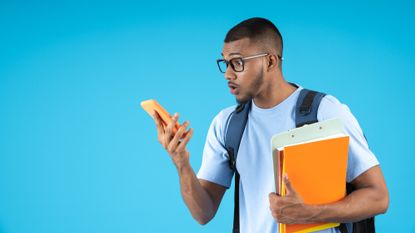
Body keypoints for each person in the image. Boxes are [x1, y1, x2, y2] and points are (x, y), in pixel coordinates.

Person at [151, 17, 389, 233]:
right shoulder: (227, 124)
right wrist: (181, 163)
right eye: (225, 63)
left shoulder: (325, 111)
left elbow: (378, 198)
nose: (228, 74)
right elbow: (202, 213)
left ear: (270, 62)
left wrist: (309, 213)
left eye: (237, 63)